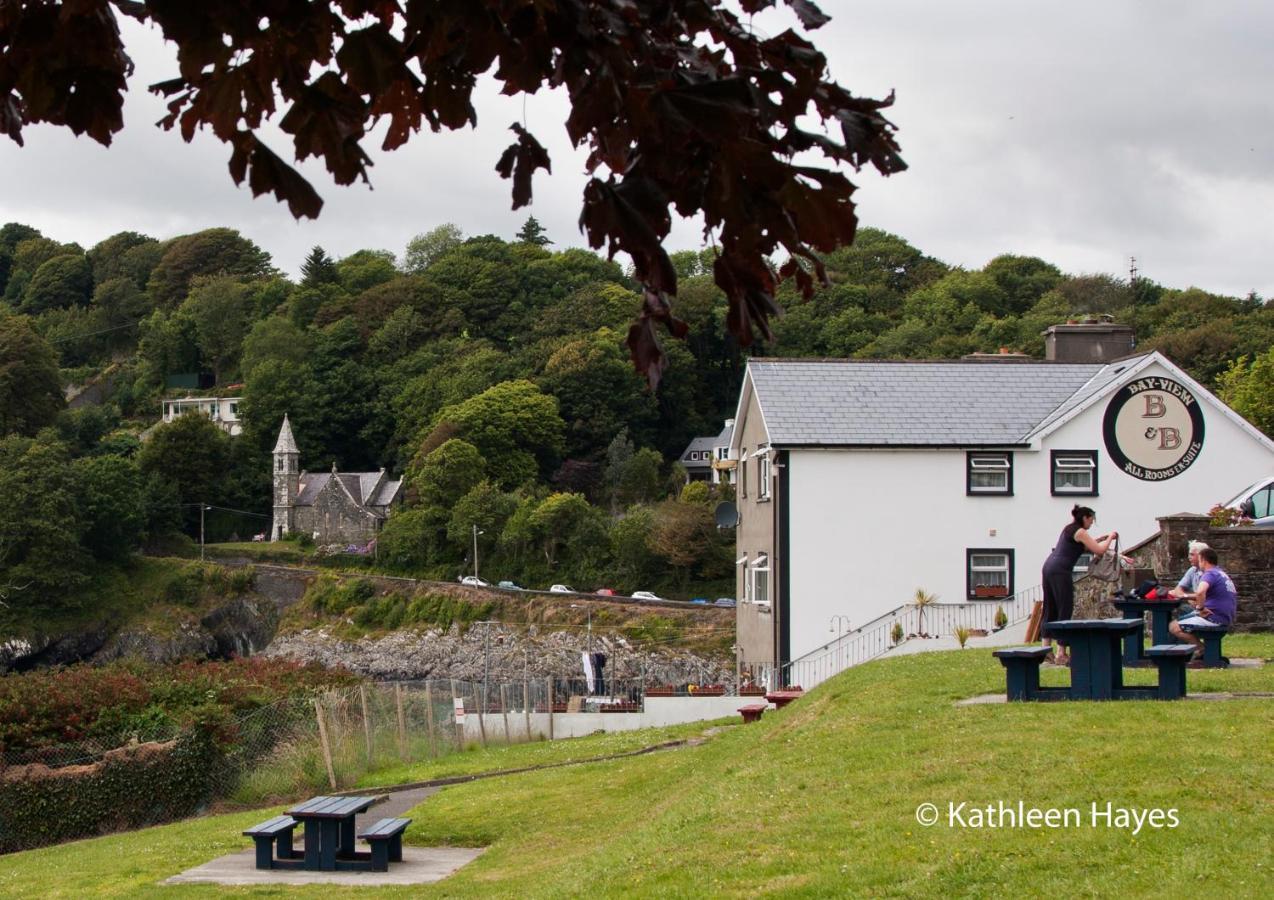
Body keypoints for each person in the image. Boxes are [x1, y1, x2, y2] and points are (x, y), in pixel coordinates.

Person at [1040, 505, 1118, 665]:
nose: (1092, 523)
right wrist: (1110, 537)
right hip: (1061, 571)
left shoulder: (1069, 529)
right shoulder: (1081, 532)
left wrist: (1102, 539)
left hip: (1049, 567)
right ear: (1085, 518)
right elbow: (1099, 551)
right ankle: (1061, 653)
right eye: (1091, 520)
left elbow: (1086, 546)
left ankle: (1045, 650)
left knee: (1051, 607)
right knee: (1064, 608)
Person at [1168, 548, 1238, 658]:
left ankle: (1201, 649)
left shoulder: (1209, 574)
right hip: (1225, 616)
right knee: (1186, 620)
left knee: (1174, 626)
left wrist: (1200, 608)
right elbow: (1205, 594)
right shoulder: (1220, 573)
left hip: (1213, 617)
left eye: (1199, 560)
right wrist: (1185, 596)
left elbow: (1200, 592)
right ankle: (1202, 651)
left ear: (1204, 560)